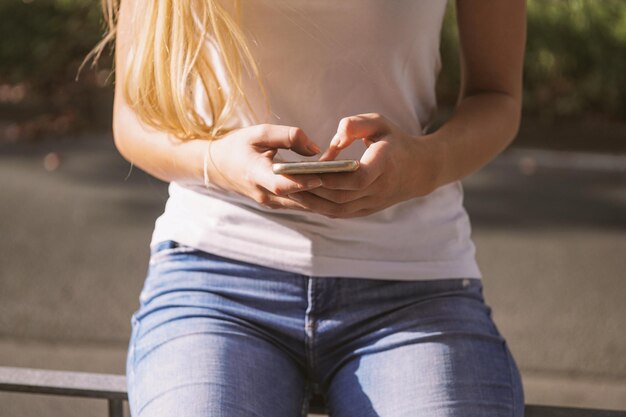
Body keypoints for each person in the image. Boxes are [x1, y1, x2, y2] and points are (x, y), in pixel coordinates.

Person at [97, 0, 526, 415]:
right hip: (213, 278)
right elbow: (133, 119)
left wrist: (424, 164)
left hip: (413, 286)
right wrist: (218, 163)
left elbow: (497, 95)